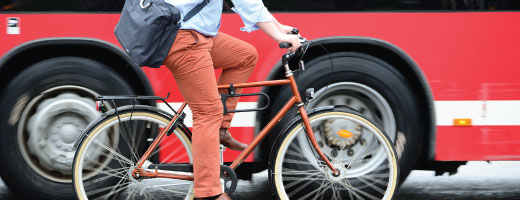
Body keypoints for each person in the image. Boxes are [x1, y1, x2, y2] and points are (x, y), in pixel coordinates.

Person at [162, 0, 302, 199]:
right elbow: (247, 1)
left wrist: (278, 26)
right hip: (184, 38)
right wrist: (277, 34)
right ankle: (209, 193)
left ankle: (219, 129)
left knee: (244, 56)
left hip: (197, 34)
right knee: (208, 113)